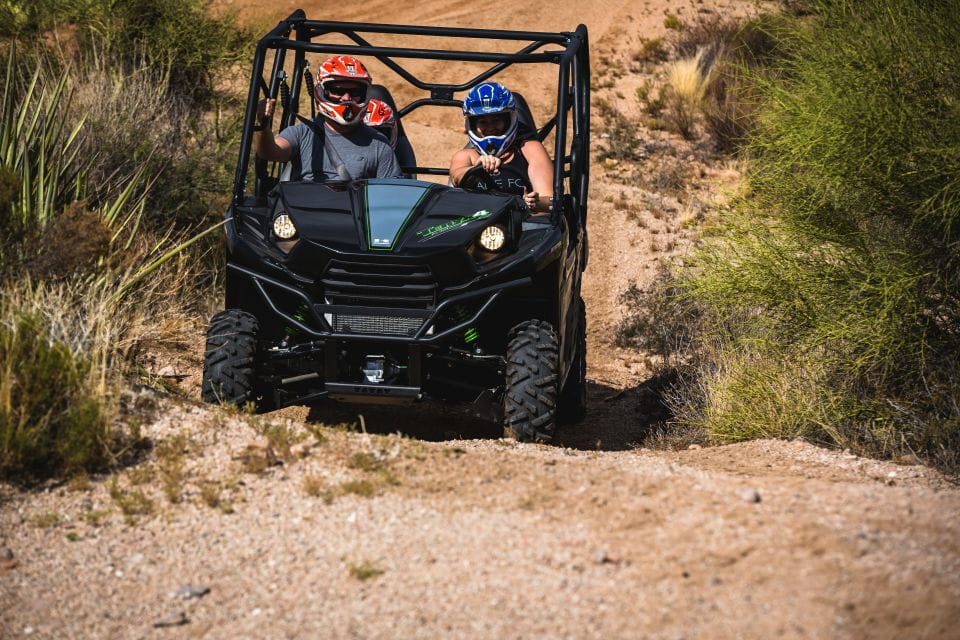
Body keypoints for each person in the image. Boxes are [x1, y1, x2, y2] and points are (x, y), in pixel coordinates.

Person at [253, 55, 401, 182]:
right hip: (304, 212)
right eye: (338, 91)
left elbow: (389, 195)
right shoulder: (302, 133)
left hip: (351, 214)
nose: (346, 98)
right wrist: (263, 125)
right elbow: (269, 152)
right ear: (322, 92)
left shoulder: (379, 144)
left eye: (355, 91)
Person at [448, 81, 553, 213]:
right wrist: (475, 169)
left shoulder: (530, 149)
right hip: (477, 225)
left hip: (521, 226)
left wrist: (534, 204)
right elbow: (456, 178)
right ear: (473, 125)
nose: (490, 127)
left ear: (508, 120)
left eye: (496, 120)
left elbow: (551, 203)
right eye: (482, 122)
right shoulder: (466, 156)